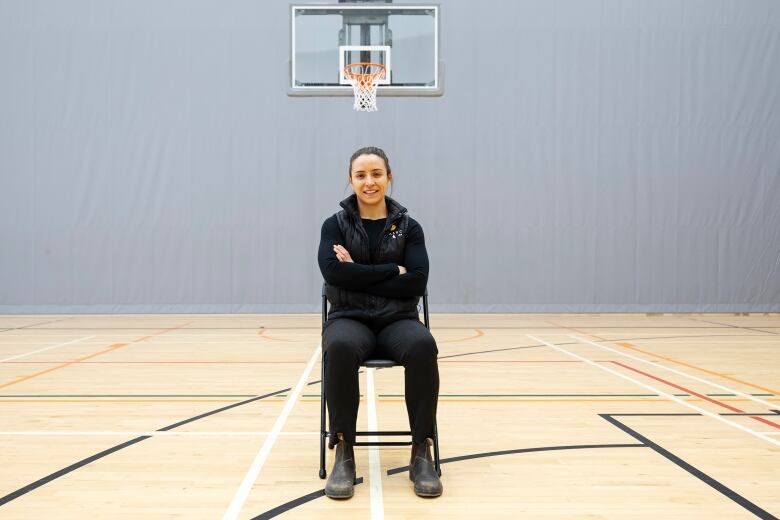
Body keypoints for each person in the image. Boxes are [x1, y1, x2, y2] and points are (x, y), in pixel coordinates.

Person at [317, 146, 442, 499]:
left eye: (376, 174)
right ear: (350, 180)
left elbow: (417, 281)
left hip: (397, 320)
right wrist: (391, 270)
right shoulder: (334, 225)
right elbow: (332, 274)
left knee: (422, 345)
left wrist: (355, 270)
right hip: (349, 318)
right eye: (361, 175)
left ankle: (421, 450)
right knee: (338, 346)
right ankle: (344, 449)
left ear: (389, 177)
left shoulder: (409, 227)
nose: (369, 182)